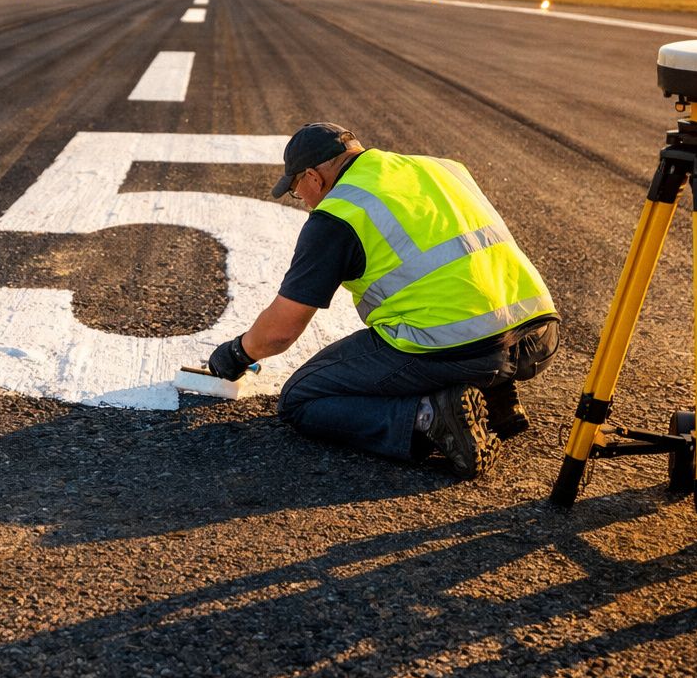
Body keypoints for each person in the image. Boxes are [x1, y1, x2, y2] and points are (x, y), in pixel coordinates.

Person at [207, 123, 560, 479]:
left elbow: (280, 332)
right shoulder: (439, 168)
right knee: (463, 322)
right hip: (538, 336)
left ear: (313, 177)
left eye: (297, 190)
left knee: (301, 398)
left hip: (463, 346)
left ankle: (431, 416)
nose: (305, 201)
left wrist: (238, 354)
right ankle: (495, 396)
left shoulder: (339, 215)